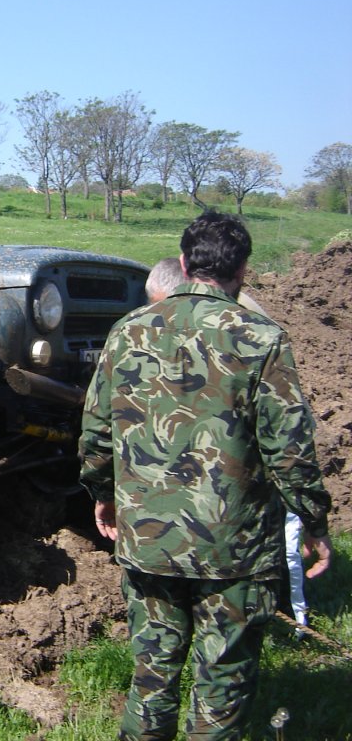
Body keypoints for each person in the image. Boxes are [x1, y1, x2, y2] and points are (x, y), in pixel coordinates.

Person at [79, 212, 333, 740]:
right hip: (233, 548)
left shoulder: (128, 332)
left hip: (148, 537)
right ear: (243, 268)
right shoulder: (261, 337)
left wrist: (103, 496)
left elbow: (97, 433)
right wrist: (314, 521)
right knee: (223, 684)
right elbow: (290, 448)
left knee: (152, 676)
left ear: (184, 260)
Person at [146, 256, 311, 633]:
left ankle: (291, 616)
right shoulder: (221, 313)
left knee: (282, 537)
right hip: (241, 430)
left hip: (256, 429)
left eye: (159, 303)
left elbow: (281, 433)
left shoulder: (240, 323)